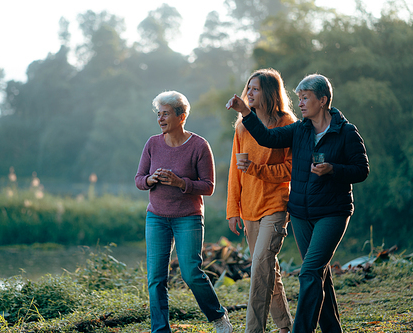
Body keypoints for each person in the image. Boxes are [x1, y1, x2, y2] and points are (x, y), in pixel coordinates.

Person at [226, 74, 369, 333]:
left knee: (308, 272)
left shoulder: (345, 132)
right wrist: (246, 113)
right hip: (302, 214)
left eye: (306, 98)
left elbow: (361, 170)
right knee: (319, 275)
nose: (300, 102)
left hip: (332, 212)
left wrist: (333, 169)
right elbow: (268, 138)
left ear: (323, 100)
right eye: (299, 97)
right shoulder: (300, 130)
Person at [135, 90, 233, 333]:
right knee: (156, 278)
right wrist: (151, 180)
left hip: (188, 217)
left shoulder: (199, 146)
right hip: (156, 217)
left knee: (191, 273)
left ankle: (219, 317)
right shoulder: (152, 143)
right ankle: (160, 330)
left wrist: (181, 183)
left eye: (165, 114)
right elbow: (138, 179)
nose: (160, 119)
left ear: (182, 116)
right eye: (158, 114)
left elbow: (209, 187)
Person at [227, 69, 295, 333]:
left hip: (276, 204)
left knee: (259, 267)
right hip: (249, 207)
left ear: (269, 93)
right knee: (269, 270)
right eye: (249, 88)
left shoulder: (287, 122)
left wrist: (257, 169)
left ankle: (253, 330)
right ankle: (286, 327)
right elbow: (235, 171)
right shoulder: (243, 125)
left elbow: (291, 168)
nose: (250, 93)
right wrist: (233, 209)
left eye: (255, 89)